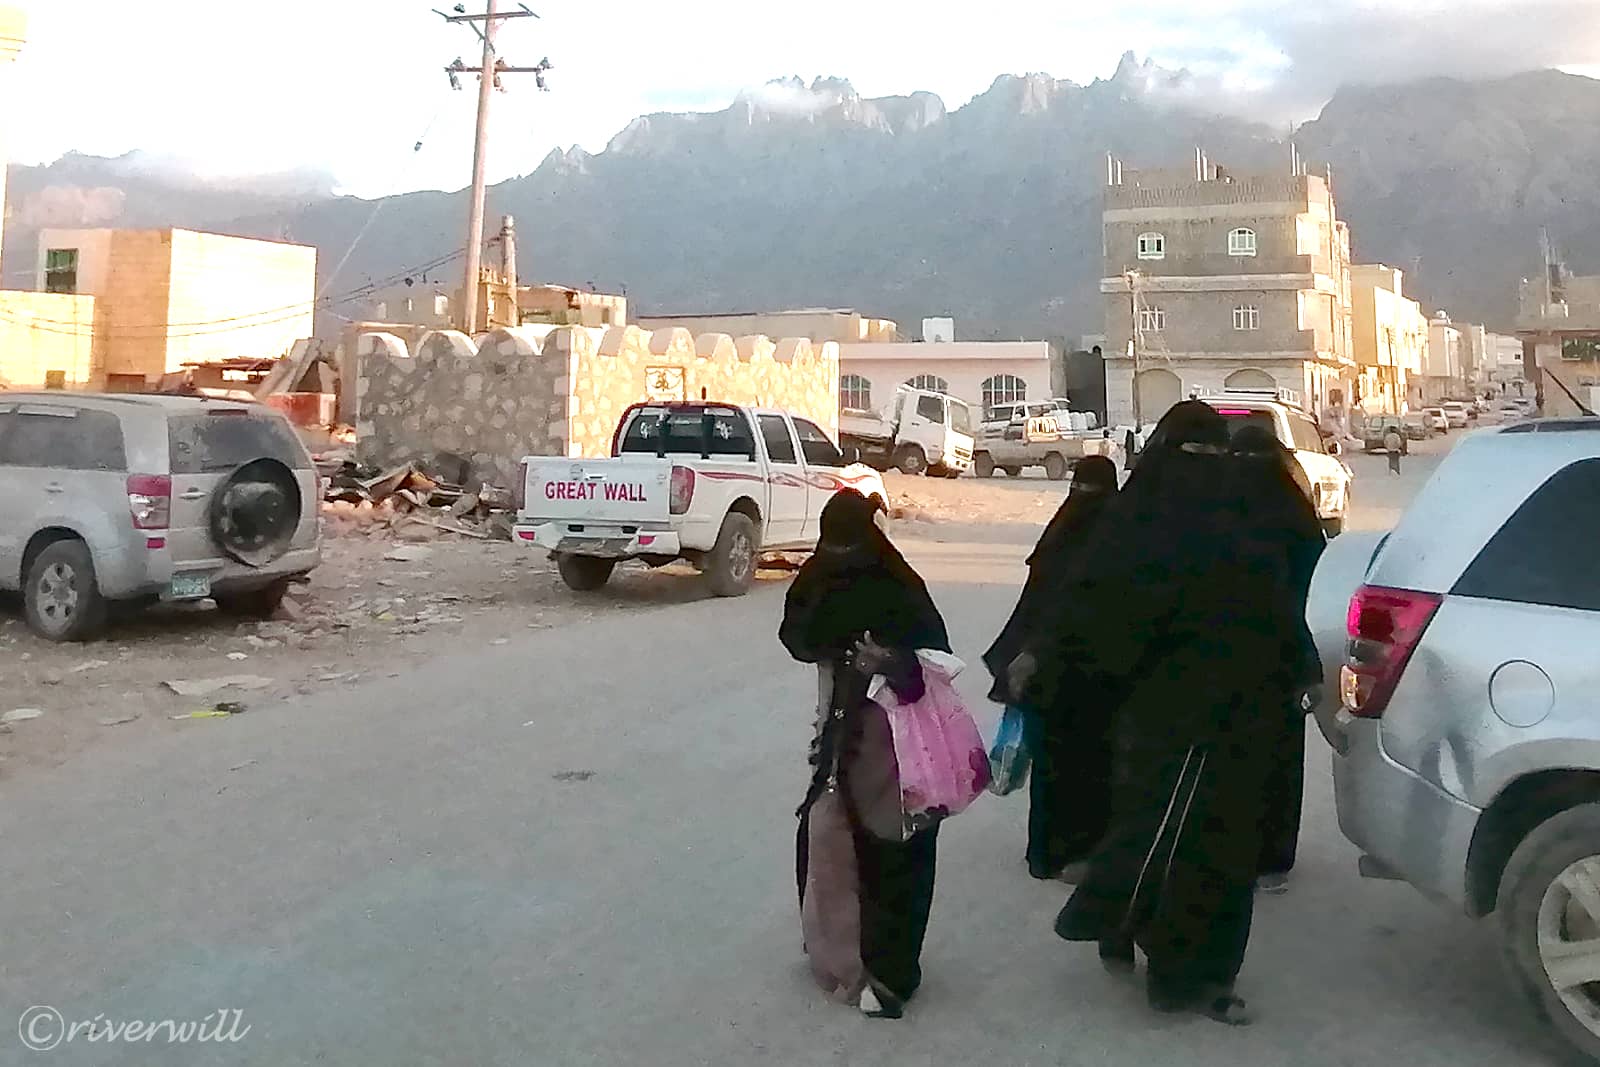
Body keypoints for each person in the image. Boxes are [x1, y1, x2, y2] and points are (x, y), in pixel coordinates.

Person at [1016, 401, 1304, 1025]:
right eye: (1191, 457)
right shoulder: (1150, 522)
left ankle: (1205, 973)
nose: (1200, 473)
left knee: (1224, 851)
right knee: (1163, 834)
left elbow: (1277, 609)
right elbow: (1089, 615)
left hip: (1235, 715)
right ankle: (1162, 964)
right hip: (1161, 718)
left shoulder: (1185, 519)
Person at [780, 489, 950, 1020]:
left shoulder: (898, 585)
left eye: (847, 546)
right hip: (837, 738)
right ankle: (835, 949)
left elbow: (935, 660)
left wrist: (890, 660)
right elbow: (796, 636)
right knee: (825, 837)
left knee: (896, 850)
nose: (838, 558)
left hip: (896, 747)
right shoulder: (817, 576)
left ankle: (893, 974)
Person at [983, 455, 1120, 879]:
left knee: (1050, 763)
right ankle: (1081, 850)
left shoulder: (1062, 530)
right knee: (1089, 763)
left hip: (1043, 667)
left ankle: (1044, 854)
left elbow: (1034, 604)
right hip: (1089, 671)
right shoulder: (1114, 536)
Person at [1229, 423, 1328, 894]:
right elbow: (1317, 590)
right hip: (1285, 661)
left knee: (1239, 758)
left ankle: (1239, 853)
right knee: (1280, 760)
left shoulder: (1222, 514)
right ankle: (1273, 858)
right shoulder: (1296, 517)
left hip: (1235, 658)